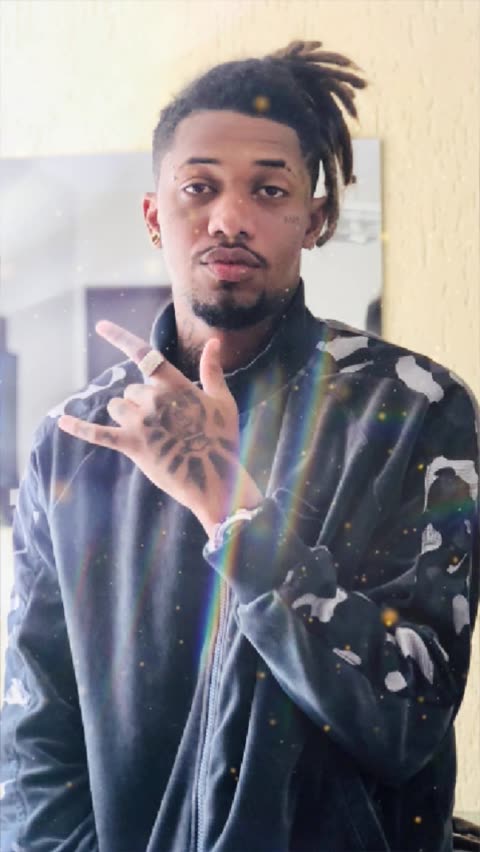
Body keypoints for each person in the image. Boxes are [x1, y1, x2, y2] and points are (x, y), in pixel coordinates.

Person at [1, 39, 479, 852]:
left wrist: (237, 516)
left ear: (314, 219)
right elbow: (35, 741)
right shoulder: (76, 443)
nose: (228, 218)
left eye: (269, 189)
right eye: (198, 188)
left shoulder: (415, 411)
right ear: (154, 215)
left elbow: (409, 716)